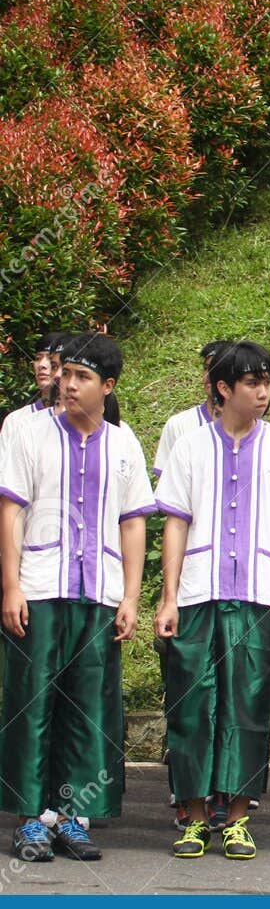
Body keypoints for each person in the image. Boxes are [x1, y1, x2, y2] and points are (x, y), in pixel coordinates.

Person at [154, 341, 270, 861]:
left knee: (248, 704)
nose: (263, 391)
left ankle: (239, 817)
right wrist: (169, 596)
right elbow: (175, 523)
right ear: (224, 388)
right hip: (199, 593)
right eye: (251, 382)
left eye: (267, 381)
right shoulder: (191, 446)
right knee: (193, 705)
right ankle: (195, 816)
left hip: (258, 596)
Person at [0, 334, 154, 862]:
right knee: (33, 703)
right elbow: (11, 513)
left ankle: (70, 818)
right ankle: (30, 819)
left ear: (107, 386)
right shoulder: (29, 434)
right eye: (65, 373)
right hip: (41, 588)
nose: (68, 384)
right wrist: (11, 586)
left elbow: (133, 523)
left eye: (82, 377)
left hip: (99, 595)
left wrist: (131, 596)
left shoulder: (124, 444)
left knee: (89, 710)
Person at [153, 341, 232, 479]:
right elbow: (167, 487)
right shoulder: (179, 425)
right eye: (207, 368)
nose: (209, 375)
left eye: (218, 368)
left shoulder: (251, 428)